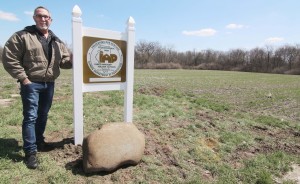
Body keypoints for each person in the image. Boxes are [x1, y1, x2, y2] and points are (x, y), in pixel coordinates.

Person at [2, 6, 72, 169]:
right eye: (40, 16)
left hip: (49, 84)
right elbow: (9, 58)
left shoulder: (56, 40)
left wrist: (74, 59)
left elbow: (64, 62)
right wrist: (24, 79)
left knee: (43, 115)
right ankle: (30, 153)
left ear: (51, 20)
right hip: (31, 83)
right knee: (31, 117)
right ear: (34, 18)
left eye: (46, 17)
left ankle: (39, 142)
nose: (43, 19)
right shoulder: (22, 36)